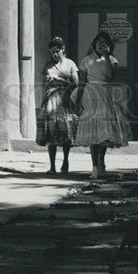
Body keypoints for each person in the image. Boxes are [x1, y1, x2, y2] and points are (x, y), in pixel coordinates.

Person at [74, 30, 132, 179]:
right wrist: (78, 101)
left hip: (105, 95)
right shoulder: (86, 60)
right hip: (90, 95)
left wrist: (106, 55)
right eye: (98, 42)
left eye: (104, 43)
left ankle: (102, 163)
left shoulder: (112, 60)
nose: (101, 45)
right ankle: (94, 167)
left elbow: (109, 76)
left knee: (104, 131)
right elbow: (81, 82)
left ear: (109, 46)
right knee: (93, 131)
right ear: (94, 44)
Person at [36, 37, 78, 174]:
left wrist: (59, 80)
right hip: (51, 100)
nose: (55, 54)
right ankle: (52, 166)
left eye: (57, 51)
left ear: (63, 49)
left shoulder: (69, 63)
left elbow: (76, 83)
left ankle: (65, 161)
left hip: (65, 100)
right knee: (51, 131)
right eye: (52, 52)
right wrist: (48, 82)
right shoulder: (48, 66)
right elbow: (43, 84)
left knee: (65, 130)